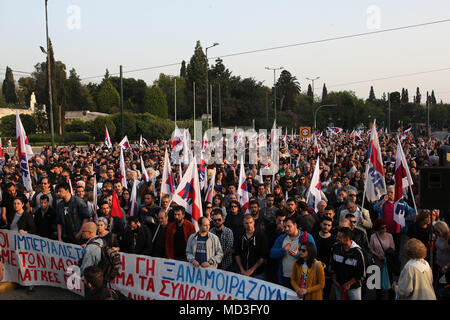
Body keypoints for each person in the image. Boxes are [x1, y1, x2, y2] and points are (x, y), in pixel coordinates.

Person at [270, 216, 316, 288]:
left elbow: (313, 255)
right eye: (285, 227)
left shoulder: (306, 237)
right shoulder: (281, 238)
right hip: (285, 277)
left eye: (289, 226)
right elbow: (272, 254)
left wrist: (298, 255)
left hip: (301, 277)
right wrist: (283, 250)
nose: (287, 229)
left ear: (295, 225)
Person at [330, 227, 366, 300]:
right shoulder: (335, 248)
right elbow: (332, 266)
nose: (337, 238)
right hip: (338, 286)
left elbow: (362, 273)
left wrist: (349, 284)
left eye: (339, 237)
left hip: (353, 288)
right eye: (337, 236)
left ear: (347, 238)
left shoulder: (358, 252)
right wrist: (335, 281)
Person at [234, 215, 268, 280]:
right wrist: (242, 270)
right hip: (242, 271)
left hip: (258, 273)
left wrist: (252, 270)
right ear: (243, 223)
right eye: (246, 223)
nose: (249, 225)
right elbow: (237, 254)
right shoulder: (239, 235)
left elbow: (263, 256)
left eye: (250, 222)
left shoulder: (261, 236)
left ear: (254, 222)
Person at [369, 218, 396, 300]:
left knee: (389, 280)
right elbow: (370, 249)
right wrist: (377, 255)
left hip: (387, 262)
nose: (384, 229)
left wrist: (386, 256)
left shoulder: (389, 236)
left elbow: (393, 248)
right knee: (378, 283)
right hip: (377, 262)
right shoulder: (373, 236)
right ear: (377, 228)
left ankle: (391, 296)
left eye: (385, 227)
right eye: (382, 228)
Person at [313, 216, 335, 299]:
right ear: (320, 224)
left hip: (327, 272)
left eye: (329, 225)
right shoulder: (314, 236)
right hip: (314, 270)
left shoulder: (333, 240)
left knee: (326, 294)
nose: (326, 227)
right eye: (324, 224)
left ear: (331, 226)